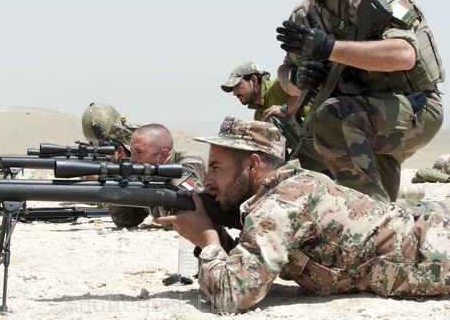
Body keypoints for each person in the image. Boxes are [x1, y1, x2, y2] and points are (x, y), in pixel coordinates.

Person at [154, 117, 450, 313]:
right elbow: (249, 263)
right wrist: (215, 232)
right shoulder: (285, 191)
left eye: (216, 168)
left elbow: (232, 295)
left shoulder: (283, 204)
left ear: (253, 165)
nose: (207, 180)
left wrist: (207, 240)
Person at [269, 0, 444, 203]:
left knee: (330, 119)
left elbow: (405, 54)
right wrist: (298, 79)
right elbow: (285, 74)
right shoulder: (306, 13)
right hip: (363, 115)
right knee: (369, 204)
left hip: (413, 107)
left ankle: (370, 222)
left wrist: (329, 49)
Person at [221, 61, 328, 173]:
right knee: (291, 174)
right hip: (315, 154)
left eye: (238, 85)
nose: (234, 92)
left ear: (253, 80)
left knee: (269, 123)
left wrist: (285, 108)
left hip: (323, 137)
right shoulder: (259, 114)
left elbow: (302, 81)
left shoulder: (278, 86)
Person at [109, 123, 207, 228]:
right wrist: (121, 192)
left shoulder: (189, 163)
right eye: (132, 151)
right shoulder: (146, 173)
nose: (132, 159)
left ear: (163, 155)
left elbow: (189, 216)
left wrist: (147, 195)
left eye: (139, 152)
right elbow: (126, 221)